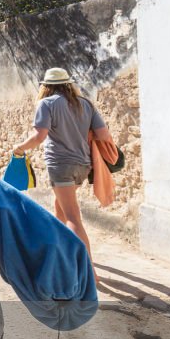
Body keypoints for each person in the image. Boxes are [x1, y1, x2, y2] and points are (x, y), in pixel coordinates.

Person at [12, 68, 113, 282]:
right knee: (60, 209)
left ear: (46, 86)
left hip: (60, 165)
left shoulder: (46, 104)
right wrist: (77, 132)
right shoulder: (85, 103)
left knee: (73, 216)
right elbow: (103, 134)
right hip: (83, 165)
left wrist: (19, 148)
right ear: (68, 84)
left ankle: (89, 272)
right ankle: (61, 254)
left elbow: (39, 137)